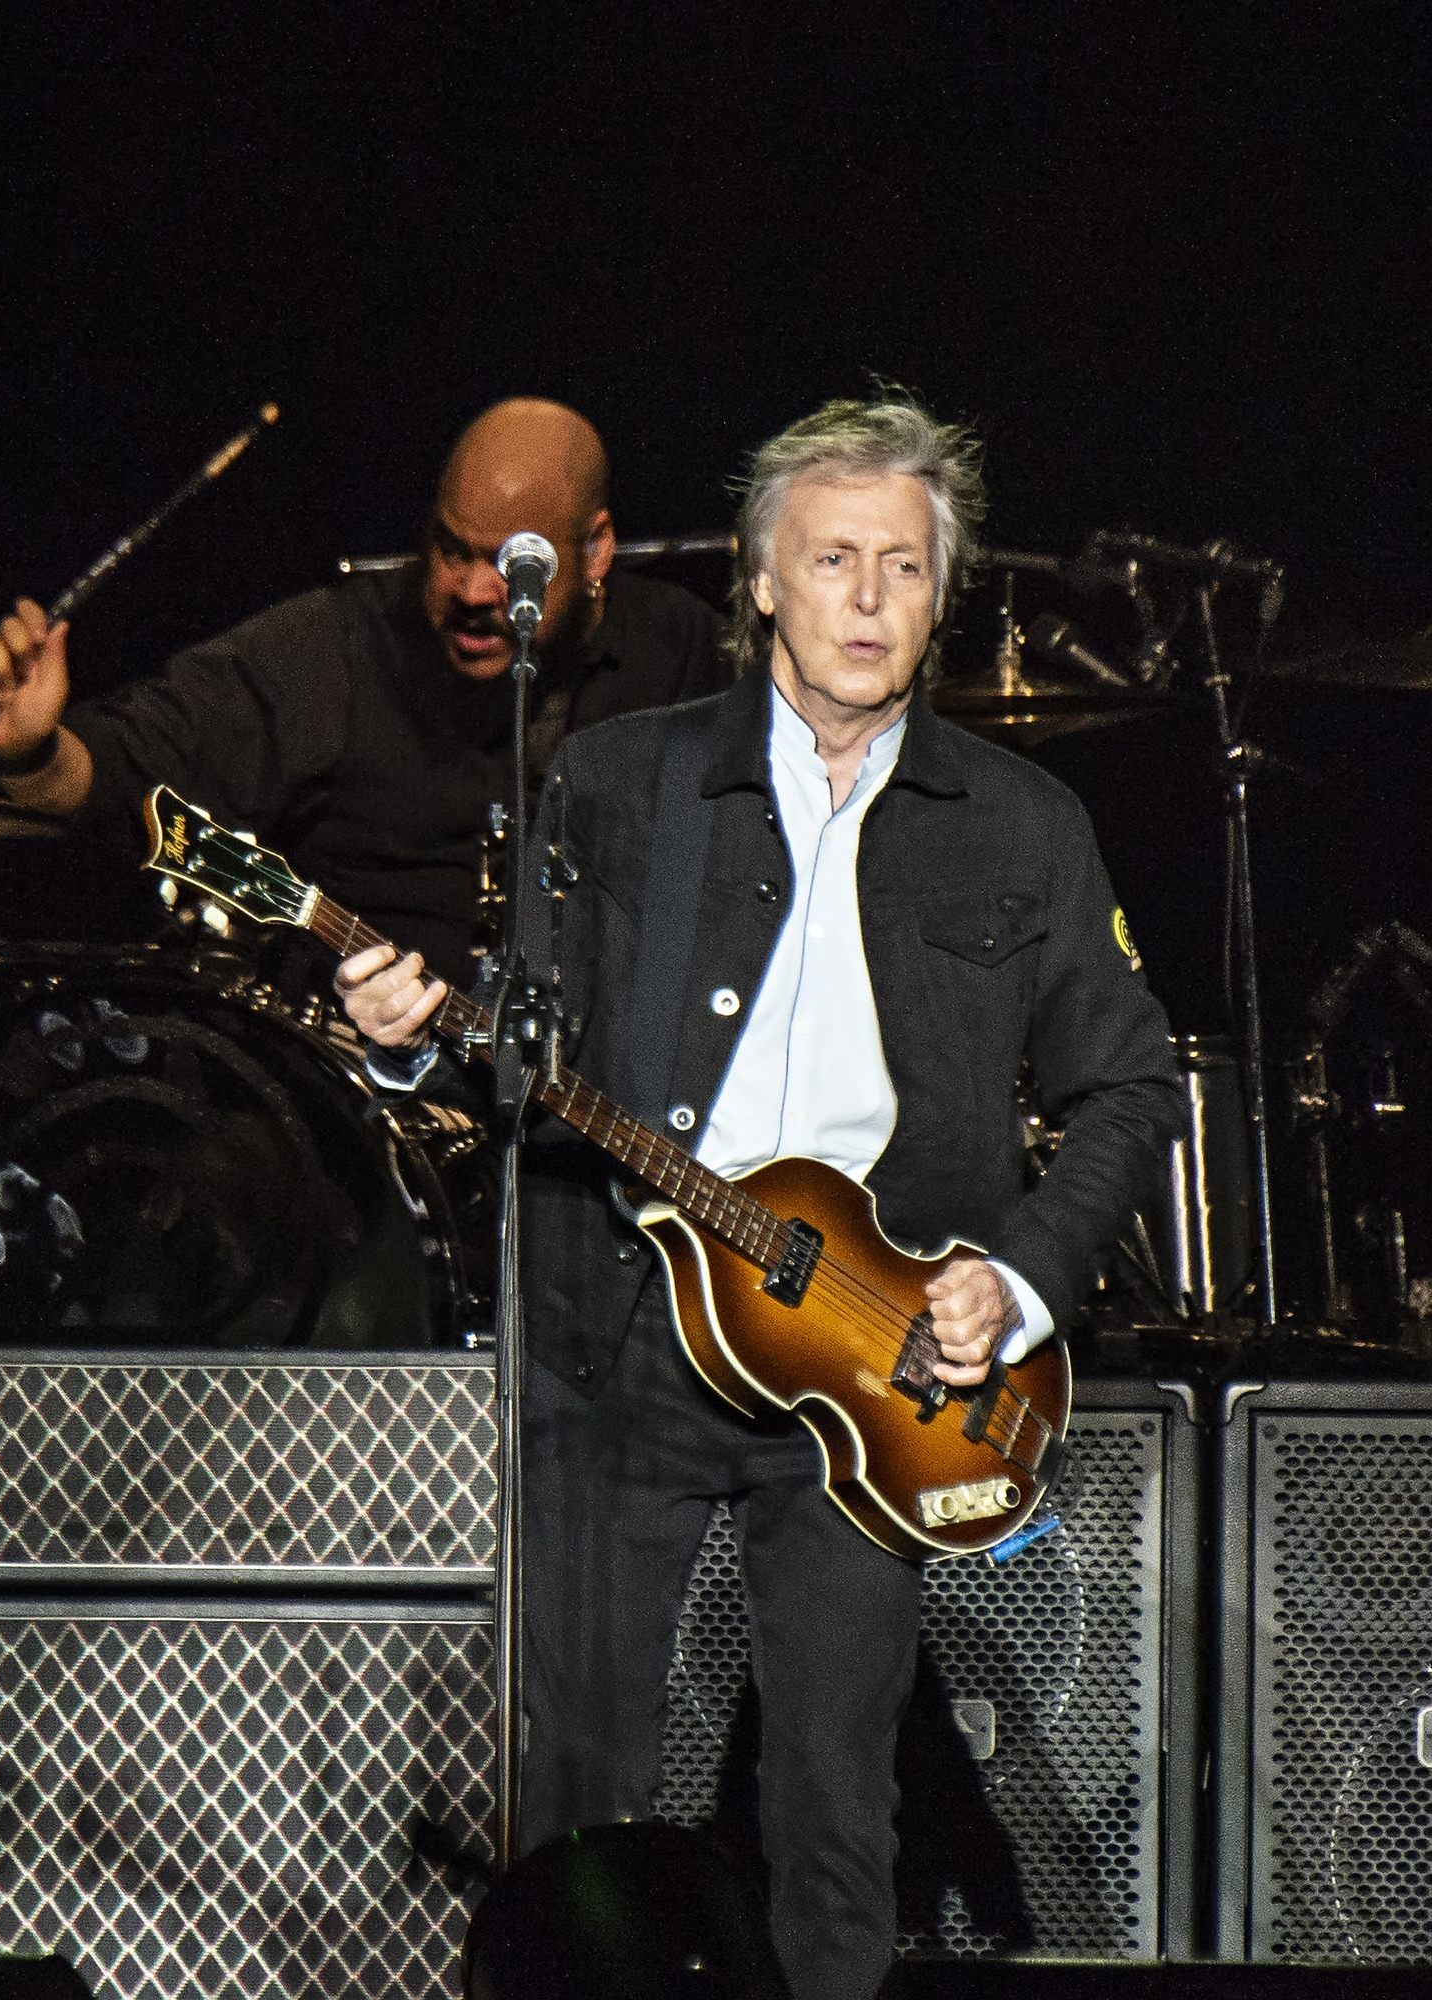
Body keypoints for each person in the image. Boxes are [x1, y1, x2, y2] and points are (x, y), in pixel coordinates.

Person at [333, 394, 1180, 2000]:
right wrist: (404, 1045)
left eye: (907, 568)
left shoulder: (1023, 825)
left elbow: (1130, 1085)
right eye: (834, 561)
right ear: (760, 581)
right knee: (574, 1809)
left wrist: (1015, 1279)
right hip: (618, 1343)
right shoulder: (614, 783)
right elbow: (514, 1059)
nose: (869, 599)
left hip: (874, 1366)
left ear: (945, 594)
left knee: (836, 1822)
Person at [0, 397, 731, 975]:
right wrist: (34, 755)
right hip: (367, 1112)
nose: (468, 590)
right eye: (448, 549)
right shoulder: (338, 649)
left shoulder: (678, 648)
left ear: (595, 550)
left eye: (507, 564)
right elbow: (142, 764)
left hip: (604, 1117)